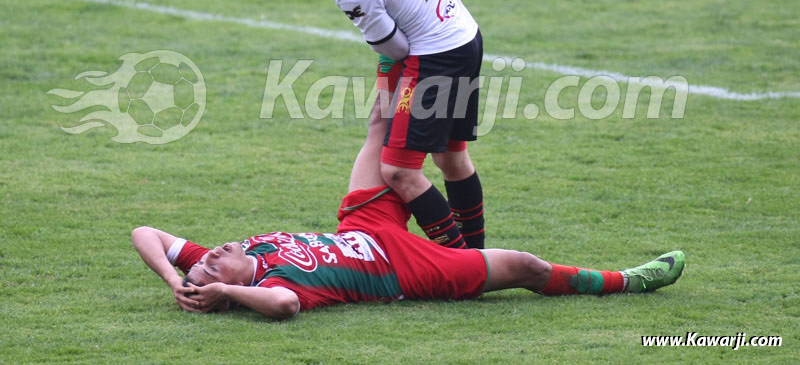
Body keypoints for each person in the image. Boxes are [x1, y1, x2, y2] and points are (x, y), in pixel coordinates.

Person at [256, 0, 486, 249]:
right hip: (465, 31)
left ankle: (465, 263)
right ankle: (479, 254)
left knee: (398, 170)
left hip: (436, 57)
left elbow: (395, 48)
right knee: (450, 157)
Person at [133, 181, 685, 320]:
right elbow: (285, 310)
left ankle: (400, 47)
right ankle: (629, 280)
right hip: (405, 267)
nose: (211, 252)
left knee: (382, 128)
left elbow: (146, 232)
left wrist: (174, 278)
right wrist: (225, 289)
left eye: (206, 258)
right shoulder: (272, 287)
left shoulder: (236, 257)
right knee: (528, 268)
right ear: (231, 286)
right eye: (211, 263)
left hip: (366, 223)